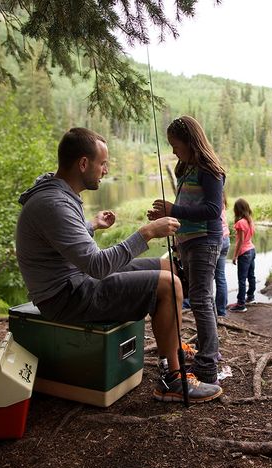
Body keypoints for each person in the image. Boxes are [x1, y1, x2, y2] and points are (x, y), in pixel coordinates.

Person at [15, 127, 222, 404]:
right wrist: (147, 233)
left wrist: (91, 225)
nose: (105, 170)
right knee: (168, 286)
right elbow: (98, 266)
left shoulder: (57, 193)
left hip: (77, 281)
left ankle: (172, 345)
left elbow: (62, 241)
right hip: (65, 297)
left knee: (169, 270)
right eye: (102, 164)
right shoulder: (54, 203)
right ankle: (171, 379)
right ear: (84, 163)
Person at [148, 116, 225, 385]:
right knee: (200, 297)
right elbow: (188, 206)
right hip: (188, 241)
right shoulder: (185, 168)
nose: (172, 151)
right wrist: (165, 217)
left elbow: (214, 211)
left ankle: (207, 364)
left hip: (206, 240)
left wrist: (175, 210)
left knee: (201, 298)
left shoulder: (210, 170)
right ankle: (209, 354)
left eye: (175, 145)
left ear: (191, 142)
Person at [229, 198, 256, 313]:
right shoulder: (249, 220)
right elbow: (248, 237)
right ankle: (250, 297)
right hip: (252, 250)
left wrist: (235, 256)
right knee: (251, 276)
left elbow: (240, 242)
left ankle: (241, 304)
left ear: (237, 210)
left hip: (244, 253)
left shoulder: (240, 223)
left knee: (241, 279)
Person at [215, 193, 230, 317]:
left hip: (217, 239)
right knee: (220, 276)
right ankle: (221, 311)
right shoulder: (222, 199)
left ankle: (212, 311)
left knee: (207, 278)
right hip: (225, 239)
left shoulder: (213, 198)